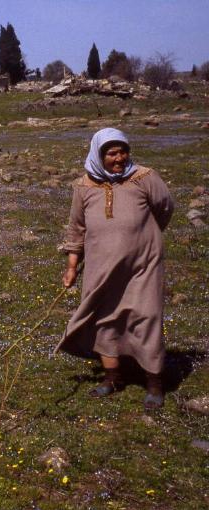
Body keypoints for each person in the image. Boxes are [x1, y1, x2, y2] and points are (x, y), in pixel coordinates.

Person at [57, 127, 174, 409]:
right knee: (104, 319)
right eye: (111, 153)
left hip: (141, 265)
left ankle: (155, 383)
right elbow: (77, 228)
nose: (119, 158)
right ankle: (111, 378)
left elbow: (165, 208)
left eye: (123, 151)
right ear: (99, 155)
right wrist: (72, 265)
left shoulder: (145, 177)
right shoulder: (84, 186)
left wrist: (143, 235)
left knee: (146, 317)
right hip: (101, 267)